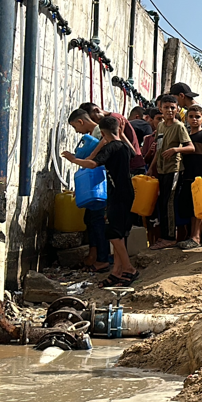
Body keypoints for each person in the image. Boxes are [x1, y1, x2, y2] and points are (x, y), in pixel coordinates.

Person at [61, 116, 137, 286]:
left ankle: (129, 269)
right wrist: (122, 135)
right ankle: (117, 271)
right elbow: (134, 152)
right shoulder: (123, 145)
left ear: (102, 133)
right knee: (120, 233)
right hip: (127, 193)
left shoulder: (111, 147)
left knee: (113, 234)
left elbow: (92, 164)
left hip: (117, 194)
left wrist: (73, 159)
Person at [66, 109, 110, 272]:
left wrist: (75, 159)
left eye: (75, 126)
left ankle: (102, 258)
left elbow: (95, 162)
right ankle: (95, 256)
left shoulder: (100, 133)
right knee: (91, 220)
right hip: (94, 184)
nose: (76, 131)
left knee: (97, 221)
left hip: (99, 185)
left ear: (81, 122)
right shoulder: (95, 134)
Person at [148, 95, 193, 249]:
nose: (169, 110)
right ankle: (164, 235)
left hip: (174, 169)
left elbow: (190, 147)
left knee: (169, 203)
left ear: (177, 109)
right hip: (161, 169)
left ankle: (170, 237)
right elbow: (158, 149)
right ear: (161, 108)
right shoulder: (160, 126)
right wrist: (151, 168)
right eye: (166, 107)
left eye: (172, 108)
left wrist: (176, 149)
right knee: (162, 202)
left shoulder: (179, 127)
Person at [176, 105, 202, 251]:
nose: (194, 119)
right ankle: (192, 236)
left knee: (199, 208)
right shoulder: (185, 137)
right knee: (189, 208)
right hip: (186, 176)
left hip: (200, 177)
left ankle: (196, 237)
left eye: (197, 117)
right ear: (186, 119)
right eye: (191, 116)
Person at [80, 102, 143, 171]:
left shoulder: (115, 119)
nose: (95, 122)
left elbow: (106, 139)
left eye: (93, 119)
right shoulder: (108, 120)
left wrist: (91, 157)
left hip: (133, 164)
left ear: (96, 110)